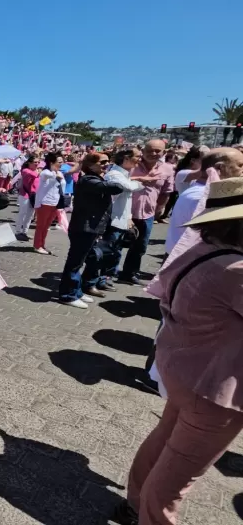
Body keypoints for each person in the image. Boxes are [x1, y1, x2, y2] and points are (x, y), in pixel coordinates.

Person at [116, 177, 243, 525]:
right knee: (178, 473)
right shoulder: (235, 269)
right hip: (214, 386)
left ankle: (135, 503)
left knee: (166, 440)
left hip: (186, 368)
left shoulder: (203, 250)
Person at [57, 153, 123, 309]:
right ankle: (68, 295)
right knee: (75, 262)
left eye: (108, 162)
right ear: (91, 165)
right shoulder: (89, 180)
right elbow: (117, 187)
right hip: (84, 228)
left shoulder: (95, 179)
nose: (107, 164)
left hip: (90, 227)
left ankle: (76, 291)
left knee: (80, 261)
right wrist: (118, 177)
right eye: (103, 162)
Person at [89, 148, 146, 292]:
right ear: (126, 158)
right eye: (137, 157)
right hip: (111, 220)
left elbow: (127, 199)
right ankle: (92, 281)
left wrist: (129, 217)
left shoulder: (125, 175)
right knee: (103, 252)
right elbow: (127, 187)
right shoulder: (114, 174)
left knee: (114, 252)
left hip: (120, 220)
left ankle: (103, 279)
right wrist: (140, 184)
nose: (140, 159)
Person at [119, 139, 174, 284]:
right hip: (124, 212)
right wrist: (140, 178)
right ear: (143, 151)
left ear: (164, 152)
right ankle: (106, 274)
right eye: (150, 150)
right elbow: (116, 179)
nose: (154, 153)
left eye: (158, 151)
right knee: (116, 244)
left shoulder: (167, 169)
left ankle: (129, 273)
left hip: (148, 213)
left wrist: (160, 209)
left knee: (140, 246)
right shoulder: (131, 165)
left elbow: (166, 191)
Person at [32, 152, 67, 255]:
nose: (61, 164)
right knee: (41, 226)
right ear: (52, 162)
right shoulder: (46, 172)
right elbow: (46, 175)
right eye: (59, 162)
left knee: (46, 226)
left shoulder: (59, 173)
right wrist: (55, 174)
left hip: (55, 203)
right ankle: (37, 245)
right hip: (45, 202)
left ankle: (42, 244)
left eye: (62, 162)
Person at [13, 156, 38, 240]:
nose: (37, 164)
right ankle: (17, 231)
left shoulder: (37, 171)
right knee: (22, 213)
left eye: (38, 162)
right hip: (25, 194)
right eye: (35, 162)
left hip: (34, 195)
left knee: (30, 215)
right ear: (29, 163)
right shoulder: (25, 170)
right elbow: (34, 175)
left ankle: (24, 232)